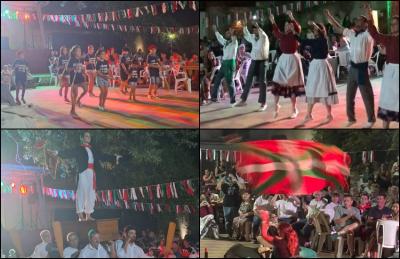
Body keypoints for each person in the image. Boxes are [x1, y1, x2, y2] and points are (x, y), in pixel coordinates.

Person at [50, 132, 120, 221]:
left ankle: (88, 214)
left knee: (91, 194)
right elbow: (69, 152)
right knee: (81, 192)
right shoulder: (79, 149)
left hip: (92, 173)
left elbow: (102, 156)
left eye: (89, 136)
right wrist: (58, 153)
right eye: (86, 136)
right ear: (82, 138)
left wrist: (114, 158)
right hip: (83, 172)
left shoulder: (93, 150)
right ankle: (80, 215)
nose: (88, 137)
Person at [325, 8, 375, 128]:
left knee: (366, 95)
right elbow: (339, 27)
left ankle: (371, 118)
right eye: (356, 20)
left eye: (359, 20)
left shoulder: (368, 35)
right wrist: (330, 17)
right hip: (352, 68)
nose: (356, 21)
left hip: (362, 69)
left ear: (365, 24)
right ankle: (351, 118)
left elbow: (373, 28)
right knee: (349, 95)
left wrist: (370, 15)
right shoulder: (352, 33)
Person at [299, 22, 338, 126]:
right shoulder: (314, 41)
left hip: (322, 65)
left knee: (324, 90)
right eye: (314, 29)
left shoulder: (323, 39)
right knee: (311, 89)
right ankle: (308, 114)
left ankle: (329, 115)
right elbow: (303, 41)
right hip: (314, 65)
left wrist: (315, 25)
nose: (314, 30)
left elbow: (321, 34)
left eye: (316, 29)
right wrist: (294, 34)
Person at [366, 8, 399, 128]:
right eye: (392, 24)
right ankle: (385, 128)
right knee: (387, 100)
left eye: (395, 24)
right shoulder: (389, 38)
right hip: (390, 72)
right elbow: (374, 33)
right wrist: (369, 15)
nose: (392, 26)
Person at [269, 11, 305, 119]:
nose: (286, 26)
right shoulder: (281, 35)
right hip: (283, 60)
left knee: (292, 86)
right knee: (277, 82)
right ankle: (276, 106)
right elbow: (275, 31)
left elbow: (298, 28)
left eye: (288, 25)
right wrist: (272, 20)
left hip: (293, 60)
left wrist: (291, 17)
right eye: (285, 25)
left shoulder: (294, 35)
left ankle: (294, 109)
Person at [233, 20, 270, 112]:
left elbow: (262, 33)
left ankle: (263, 103)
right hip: (254, 61)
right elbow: (247, 35)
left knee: (262, 82)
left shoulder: (264, 37)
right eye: (253, 30)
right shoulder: (253, 37)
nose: (254, 31)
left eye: (256, 29)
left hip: (262, 61)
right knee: (248, 79)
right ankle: (243, 100)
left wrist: (258, 26)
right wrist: (245, 26)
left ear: (259, 29)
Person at [210, 24, 238, 105]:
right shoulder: (226, 42)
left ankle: (233, 100)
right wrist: (215, 30)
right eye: (227, 33)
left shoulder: (234, 42)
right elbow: (220, 38)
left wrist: (232, 33)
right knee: (217, 79)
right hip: (224, 64)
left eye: (228, 33)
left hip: (230, 63)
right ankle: (214, 97)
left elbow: (234, 38)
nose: (227, 34)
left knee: (230, 82)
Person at [67, 45, 88, 118]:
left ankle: (78, 100)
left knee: (86, 89)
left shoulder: (80, 59)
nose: (79, 52)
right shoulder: (71, 59)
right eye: (78, 51)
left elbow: (82, 68)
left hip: (80, 77)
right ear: (74, 52)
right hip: (74, 78)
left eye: (80, 50)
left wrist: (83, 72)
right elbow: (67, 69)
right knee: (74, 94)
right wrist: (74, 68)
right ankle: (72, 111)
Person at [219, 173, 241, 238]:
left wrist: (236, 180)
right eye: (229, 178)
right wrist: (223, 178)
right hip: (226, 204)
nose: (230, 179)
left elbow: (242, 187)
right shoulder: (225, 185)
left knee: (235, 220)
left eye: (231, 178)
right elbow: (218, 186)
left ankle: (235, 234)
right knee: (227, 220)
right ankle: (229, 234)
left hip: (235, 204)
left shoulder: (236, 184)